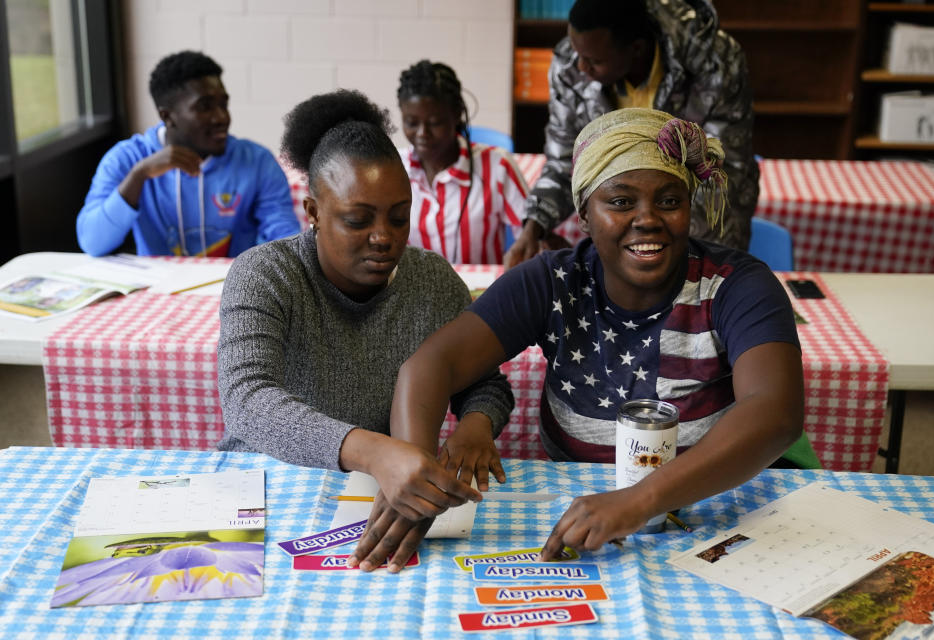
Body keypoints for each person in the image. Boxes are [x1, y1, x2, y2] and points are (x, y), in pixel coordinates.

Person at [350, 107, 812, 572]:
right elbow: (429, 366)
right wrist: (411, 471)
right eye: (621, 201)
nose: (647, 219)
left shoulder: (736, 286)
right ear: (583, 214)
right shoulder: (553, 281)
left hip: (718, 517)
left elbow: (775, 412)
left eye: (670, 201)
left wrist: (637, 501)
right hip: (590, 530)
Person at [216, 89, 514, 533]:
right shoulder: (265, 273)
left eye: (398, 217)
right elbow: (247, 401)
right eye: (358, 220)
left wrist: (476, 422)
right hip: (269, 489)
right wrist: (376, 452)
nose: (383, 237)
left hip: (376, 491)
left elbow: (483, 383)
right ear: (313, 211)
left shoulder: (431, 280)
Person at [506, 0, 759, 267]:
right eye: (577, 54)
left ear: (636, 49)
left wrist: (658, 251)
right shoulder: (571, 64)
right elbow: (566, 162)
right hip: (623, 235)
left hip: (697, 227)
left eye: (594, 61)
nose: (581, 67)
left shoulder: (713, 61)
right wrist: (535, 226)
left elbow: (720, 170)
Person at [76, 50, 300, 257]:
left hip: (233, 290)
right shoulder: (128, 159)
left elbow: (285, 240)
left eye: (224, 104)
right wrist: (138, 176)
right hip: (158, 293)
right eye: (205, 107)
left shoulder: (257, 160)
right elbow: (92, 243)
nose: (222, 117)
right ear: (167, 116)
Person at [398, 60, 529, 264]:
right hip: (417, 294)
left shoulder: (497, 165)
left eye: (434, 123)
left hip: (482, 292)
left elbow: (529, 233)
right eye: (412, 123)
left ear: (457, 115)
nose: (422, 133)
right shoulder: (395, 169)